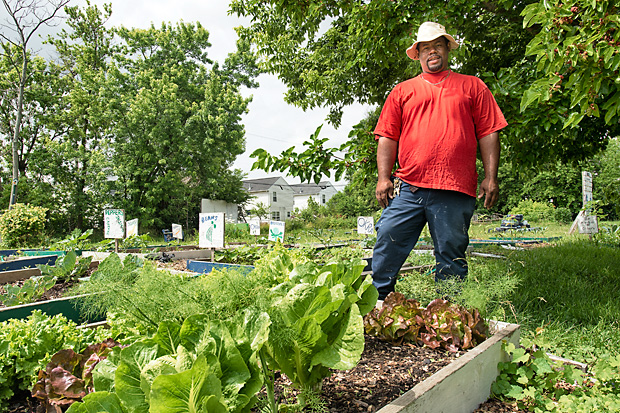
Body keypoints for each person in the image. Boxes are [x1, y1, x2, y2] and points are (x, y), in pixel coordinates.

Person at [371, 22, 508, 301]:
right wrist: (384, 177)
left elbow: (489, 132)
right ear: (418, 55)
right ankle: (378, 301)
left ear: (447, 49)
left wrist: (491, 177)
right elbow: (387, 136)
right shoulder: (403, 91)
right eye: (425, 48)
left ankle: (448, 311)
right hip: (409, 186)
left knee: (451, 250)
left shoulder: (472, 86)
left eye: (437, 46)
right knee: (388, 237)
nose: (431, 52)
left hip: (455, 188)